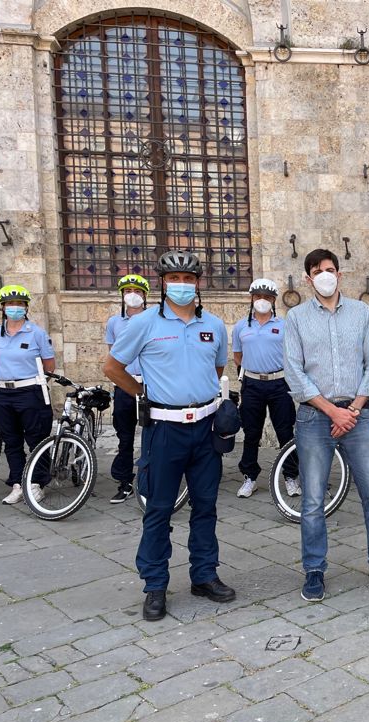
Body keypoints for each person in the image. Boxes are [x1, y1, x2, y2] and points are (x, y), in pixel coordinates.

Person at [104, 251, 234, 622]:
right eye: (175, 277)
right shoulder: (144, 322)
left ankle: (204, 576)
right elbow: (112, 366)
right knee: (159, 509)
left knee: (206, 506)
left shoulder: (214, 324)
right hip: (164, 430)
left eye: (189, 278)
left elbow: (217, 366)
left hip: (206, 428)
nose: (182, 284)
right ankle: (155, 584)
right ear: (162, 282)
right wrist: (142, 395)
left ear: (198, 283)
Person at [284, 248, 369, 602]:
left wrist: (351, 409)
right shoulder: (296, 319)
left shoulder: (360, 314)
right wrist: (331, 411)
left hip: (359, 415)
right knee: (312, 500)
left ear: (339, 274)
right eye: (318, 270)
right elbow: (294, 372)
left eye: (331, 269)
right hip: (314, 417)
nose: (325, 275)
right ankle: (314, 568)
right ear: (308, 278)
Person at [0, 285, 55, 505]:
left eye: (18, 304)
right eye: (9, 304)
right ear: (3, 308)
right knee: (11, 440)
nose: (14, 308)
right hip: (2, 393)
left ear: (26, 307)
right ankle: (17, 483)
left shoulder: (37, 333)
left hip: (30, 391)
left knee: (37, 439)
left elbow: (49, 365)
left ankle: (36, 483)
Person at [232, 278, 298, 499]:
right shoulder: (242, 326)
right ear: (252, 298)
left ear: (274, 300)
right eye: (258, 296)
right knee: (251, 433)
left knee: (285, 432)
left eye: (267, 297)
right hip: (252, 384)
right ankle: (249, 477)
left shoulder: (284, 325)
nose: (262, 301)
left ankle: (290, 476)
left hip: (279, 383)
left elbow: (293, 354)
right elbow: (238, 356)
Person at [104, 274, 150, 503]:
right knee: (125, 435)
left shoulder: (154, 319)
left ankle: (151, 478)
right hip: (125, 383)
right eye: (127, 291)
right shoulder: (115, 323)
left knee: (153, 433)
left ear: (145, 296)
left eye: (138, 291)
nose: (132, 295)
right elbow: (114, 355)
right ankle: (124, 481)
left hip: (150, 383)